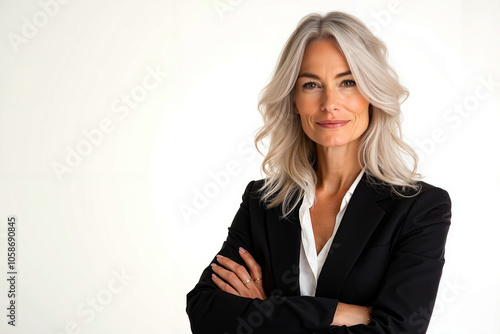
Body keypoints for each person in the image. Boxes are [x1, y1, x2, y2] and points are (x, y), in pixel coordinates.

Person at [186, 11, 451, 334]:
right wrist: (343, 313)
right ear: (294, 100)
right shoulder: (262, 201)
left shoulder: (420, 208)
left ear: (371, 94)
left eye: (348, 82)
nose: (329, 102)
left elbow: (399, 331)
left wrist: (264, 308)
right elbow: (205, 311)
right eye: (311, 84)